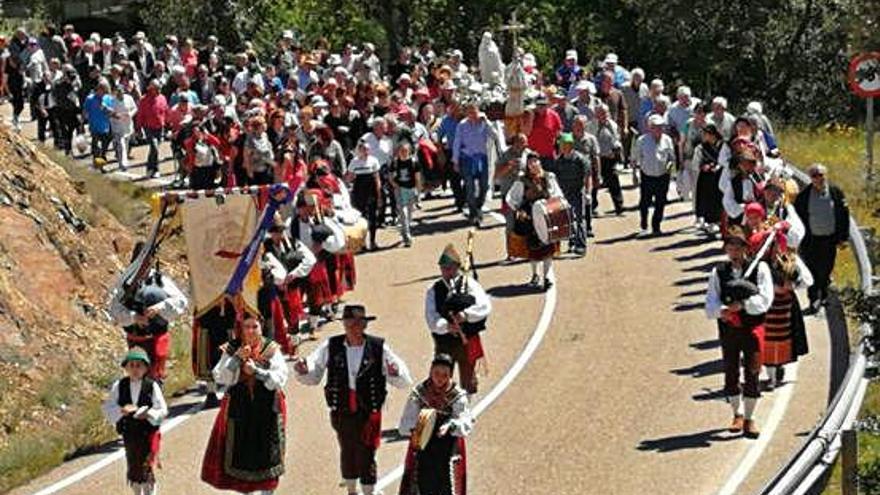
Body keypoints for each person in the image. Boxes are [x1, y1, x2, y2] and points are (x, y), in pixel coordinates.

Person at [294, 304, 413, 495]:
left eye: (357, 322)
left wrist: (395, 372)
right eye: (349, 322)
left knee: (367, 452)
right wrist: (303, 369)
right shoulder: (331, 345)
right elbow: (313, 371)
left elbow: (403, 378)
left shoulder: (378, 347)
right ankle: (351, 491)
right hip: (341, 408)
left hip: (368, 410)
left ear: (365, 324)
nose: (353, 327)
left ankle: (369, 491)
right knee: (347, 449)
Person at [201, 314, 289, 494]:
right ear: (239, 328)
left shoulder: (271, 348)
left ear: (261, 327)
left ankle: (267, 491)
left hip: (267, 407)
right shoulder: (232, 348)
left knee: (267, 449)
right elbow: (220, 376)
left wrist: (257, 372)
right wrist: (236, 360)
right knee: (241, 451)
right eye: (246, 326)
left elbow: (280, 378)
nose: (250, 331)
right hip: (239, 407)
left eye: (254, 326)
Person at [705, 227, 774, 438]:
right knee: (731, 371)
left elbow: (765, 299)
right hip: (729, 329)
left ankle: (750, 419)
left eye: (738, 246)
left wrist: (743, 305)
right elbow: (711, 302)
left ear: (746, 248)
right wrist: (723, 311)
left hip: (752, 327)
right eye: (730, 246)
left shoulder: (760, 268)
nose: (734, 250)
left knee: (753, 371)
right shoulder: (719, 272)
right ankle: (737, 414)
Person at [108, 242, 188, 382]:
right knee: (138, 379)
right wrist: (134, 317)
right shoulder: (125, 282)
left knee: (154, 378)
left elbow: (181, 301)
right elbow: (114, 309)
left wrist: (160, 307)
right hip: (135, 340)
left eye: (148, 259)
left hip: (157, 338)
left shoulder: (160, 280)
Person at [398, 353, 473, 495]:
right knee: (422, 483)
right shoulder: (419, 393)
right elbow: (405, 424)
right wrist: (419, 426)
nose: (439, 378)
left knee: (446, 485)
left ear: (450, 375)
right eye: (436, 373)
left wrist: (450, 426)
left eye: (445, 375)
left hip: (448, 448)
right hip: (423, 448)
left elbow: (464, 421)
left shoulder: (458, 396)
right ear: (430, 371)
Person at [425, 243, 492, 395]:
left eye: (449, 268)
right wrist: (447, 327)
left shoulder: (470, 285)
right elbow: (431, 318)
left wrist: (465, 315)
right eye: (443, 268)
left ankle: (466, 412)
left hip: (467, 341)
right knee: (439, 381)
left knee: (468, 382)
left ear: (457, 267)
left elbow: (484, 306)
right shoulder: (433, 290)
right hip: (444, 344)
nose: (446, 272)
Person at [102, 347, 167, 495]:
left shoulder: (151, 386)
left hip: (147, 432)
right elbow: (108, 407)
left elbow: (162, 409)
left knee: (146, 466)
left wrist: (149, 414)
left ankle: (150, 492)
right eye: (131, 365)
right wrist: (121, 411)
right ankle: (137, 491)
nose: (135, 369)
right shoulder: (119, 386)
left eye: (139, 365)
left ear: (145, 368)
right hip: (129, 433)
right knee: (133, 466)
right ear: (125, 368)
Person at [794, 164, 850, 315]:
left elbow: (844, 216)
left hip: (830, 240)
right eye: (814, 176)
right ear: (810, 178)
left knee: (826, 269)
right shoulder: (803, 197)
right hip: (811, 241)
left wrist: (843, 237)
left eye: (821, 175)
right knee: (812, 270)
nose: (818, 178)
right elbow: (797, 219)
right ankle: (813, 299)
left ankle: (823, 294)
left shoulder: (836, 193)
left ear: (826, 175)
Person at [506, 152, 564, 290]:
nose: (533, 164)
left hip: (548, 214)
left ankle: (547, 277)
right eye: (530, 162)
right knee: (533, 247)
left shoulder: (549, 177)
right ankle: (535, 275)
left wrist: (553, 203)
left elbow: (558, 194)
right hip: (530, 216)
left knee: (549, 247)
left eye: (535, 161)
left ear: (540, 162)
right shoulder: (522, 181)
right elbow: (511, 198)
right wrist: (518, 210)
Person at [452, 102, 499, 227]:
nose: (473, 114)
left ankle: (478, 206)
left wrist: (487, 122)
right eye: (470, 112)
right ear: (467, 113)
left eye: (475, 111)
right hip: (467, 159)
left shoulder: (484, 123)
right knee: (470, 187)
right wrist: (455, 161)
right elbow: (457, 143)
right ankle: (473, 213)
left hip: (482, 158)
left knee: (484, 186)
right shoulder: (462, 125)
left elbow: (495, 136)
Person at [544, 133, 591, 255]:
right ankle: (572, 242)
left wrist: (587, 192)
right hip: (564, 194)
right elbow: (553, 177)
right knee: (568, 218)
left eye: (566, 145)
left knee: (579, 219)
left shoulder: (580, 159)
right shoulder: (558, 161)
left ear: (571, 145)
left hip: (578, 191)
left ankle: (581, 245)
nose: (564, 147)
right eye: (562, 145)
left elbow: (587, 176)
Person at [632, 114, 676, 237]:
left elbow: (671, 157)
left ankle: (656, 226)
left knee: (660, 202)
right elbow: (635, 158)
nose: (658, 129)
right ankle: (644, 225)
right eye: (655, 127)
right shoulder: (642, 140)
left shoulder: (667, 139)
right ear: (649, 127)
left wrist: (670, 168)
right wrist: (634, 174)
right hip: (647, 175)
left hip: (663, 175)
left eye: (660, 126)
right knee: (644, 202)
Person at [347, 139, 383, 251]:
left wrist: (379, 194)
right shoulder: (354, 162)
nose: (365, 152)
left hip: (371, 192)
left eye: (367, 149)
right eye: (363, 149)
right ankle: (362, 243)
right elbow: (349, 177)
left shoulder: (374, 161)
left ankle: (372, 242)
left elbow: (377, 179)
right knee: (361, 219)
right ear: (359, 150)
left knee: (373, 217)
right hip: (359, 193)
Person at [692, 123, 725, 232]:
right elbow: (696, 163)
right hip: (706, 178)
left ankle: (721, 221)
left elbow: (725, 159)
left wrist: (718, 166)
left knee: (720, 198)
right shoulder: (701, 147)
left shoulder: (722, 145)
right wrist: (703, 166)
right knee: (707, 199)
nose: (705, 136)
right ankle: (709, 221)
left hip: (720, 176)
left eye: (706, 134)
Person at [593, 104, 624, 216]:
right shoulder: (591, 125)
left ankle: (619, 207)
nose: (604, 115)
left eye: (606, 113)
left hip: (609, 157)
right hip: (596, 158)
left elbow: (617, 139)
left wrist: (616, 150)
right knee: (594, 183)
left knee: (614, 181)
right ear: (596, 114)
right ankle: (592, 207)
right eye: (601, 113)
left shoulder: (613, 125)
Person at [389, 142, 421, 247]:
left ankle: (404, 229)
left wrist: (418, 191)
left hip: (411, 189)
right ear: (398, 152)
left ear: (409, 151)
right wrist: (395, 185)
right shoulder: (395, 163)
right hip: (400, 189)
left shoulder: (414, 162)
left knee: (410, 213)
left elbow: (417, 178)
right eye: (401, 151)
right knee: (403, 212)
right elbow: (391, 177)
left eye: (405, 151)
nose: (403, 153)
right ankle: (407, 237)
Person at [83, 79, 114, 168]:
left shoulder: (108, 98)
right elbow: (85, 111)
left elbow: (112, 111)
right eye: (100, 90)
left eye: (104, 91)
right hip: (94, 126)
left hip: (105, 126)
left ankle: (102, 159)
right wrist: (82, 123)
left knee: (104, 147)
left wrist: (106, 108)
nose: (102, 93)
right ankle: (97, 164)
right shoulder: (90, 98)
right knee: (96, 147)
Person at [110, 85, 137, 171]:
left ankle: (121, 159)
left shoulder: (129, 98)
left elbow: (135, 108)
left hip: (128, 126)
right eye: (117, 91)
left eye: (121, 91)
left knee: (125, 144)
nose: (119, 93)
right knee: (121, 144)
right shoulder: (112, 101)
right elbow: (109, 113)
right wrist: (115, 116)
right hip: (117, 127)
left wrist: (130, 114)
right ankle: (123, 163)